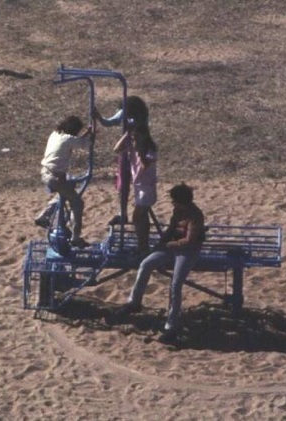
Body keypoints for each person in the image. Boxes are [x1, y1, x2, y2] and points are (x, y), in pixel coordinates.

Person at [118, 183, 205, 343]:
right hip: (171, 247)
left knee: (175, 284)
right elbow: (171, 229)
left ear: (181, 201)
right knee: (146, 264)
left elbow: (189, 240)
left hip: (188, 251)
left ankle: (171, 326)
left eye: (174, 201)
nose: (172, 204)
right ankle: (134, 301)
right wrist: (160, 244)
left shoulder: (195, 215)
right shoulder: (177, 211)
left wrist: (169, 245)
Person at [34, 115, 94, 249]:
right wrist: (91, 135)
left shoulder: (55, 134)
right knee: (77, 203)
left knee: (63, 194)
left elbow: (77, 141)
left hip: (46, 173)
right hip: (55, 176)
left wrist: (85, 134)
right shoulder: (68, 139)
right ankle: (76, 237)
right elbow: (85, 145)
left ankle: (43, 216)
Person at [94, 96, 150, 226]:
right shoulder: (124, 112)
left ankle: (141, 210)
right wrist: (98, 117)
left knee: (140, 182)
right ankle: (122, 213)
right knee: (123, 184)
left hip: (138, 149)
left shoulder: (142, 116)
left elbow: (142, 130)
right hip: (126, 151)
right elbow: (109, 122)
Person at [113, 123, 158, 255]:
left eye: (136, 137)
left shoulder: (150, 149)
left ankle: (143, 245)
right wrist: (127, 135)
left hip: (147, 188)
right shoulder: (133, 148)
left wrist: (139, 150)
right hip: (138, 188)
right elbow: (116, 149)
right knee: (142, 219)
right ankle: (142, 245)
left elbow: (145, 165)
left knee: (137, 217)